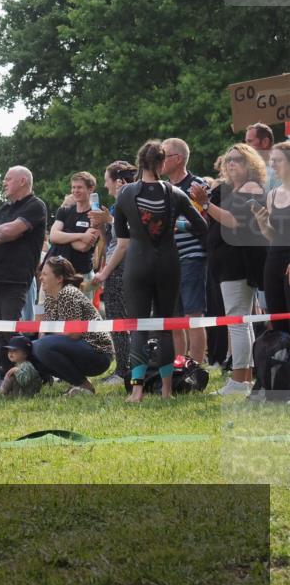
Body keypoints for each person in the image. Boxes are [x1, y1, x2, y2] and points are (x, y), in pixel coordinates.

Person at [117, 141, 208, 402]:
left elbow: (120, 233)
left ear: (140, 163)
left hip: (137, 263)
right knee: (166, 326)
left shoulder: (125, 194)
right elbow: (201, 226)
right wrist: (173, 226)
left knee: (139, 327)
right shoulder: (175, 193)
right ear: (161, 164)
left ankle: (137, 390)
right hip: (168, 263)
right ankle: (166, 390)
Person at [190, 144, 268, 396]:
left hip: (240, 262)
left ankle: (238, 380)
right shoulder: (226, 188)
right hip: (224, 262)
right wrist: (204, 202)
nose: (232, 163)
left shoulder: (252, 188)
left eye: (239, 160)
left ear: (251, 164)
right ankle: (243, 378)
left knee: (237, 319)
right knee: (240, 320)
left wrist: (206, 204)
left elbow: (234, 221)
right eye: (229, 159)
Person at [0, 166, 49, 375]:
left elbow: (10, 230)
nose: (4, 183)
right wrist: (5, 232)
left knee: (11, 330)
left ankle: (29, 374)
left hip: (17, 278)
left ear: (22, 181)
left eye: (8, 178)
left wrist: (5, 231)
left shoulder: (36, 206)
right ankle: (6, 375)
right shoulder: (4, 208)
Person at [32, 257, 114, 395]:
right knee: (33, 348)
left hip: (99, 352)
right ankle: (79, 384)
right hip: (81, 348)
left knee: (41, 346)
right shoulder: (50, 296)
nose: (40, 277)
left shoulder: (68, 293)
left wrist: (48, 334)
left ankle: (83, 385)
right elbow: (42, 327)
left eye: (45, 274)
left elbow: (74, 334)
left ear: (59, 278)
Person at [161, 138, 210, 365]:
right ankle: (180, 365)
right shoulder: (161, 188)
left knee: (193, 315)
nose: (159, 160)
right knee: (174, 318)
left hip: (192, 257)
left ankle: (196, 368)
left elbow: (203, 222)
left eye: (164, 155)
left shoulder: (196, 185)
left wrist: (173, 224)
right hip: (169, 261)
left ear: (178, 159)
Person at [90, 161, 138, 387]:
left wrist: (109, 220)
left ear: (119, 180)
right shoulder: (115, 205)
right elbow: (111, 240)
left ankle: (124, 369)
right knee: (116, 318)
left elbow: (128, 237)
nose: (105, 185)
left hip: (124, 267)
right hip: (113, 265)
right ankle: (123, 366)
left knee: (121, 319)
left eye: (107, 179)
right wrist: (101, 225)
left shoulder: (131, 200)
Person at [253, 142, 290, 333]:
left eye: (278, 160)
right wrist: (262, 223)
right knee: (278, 321)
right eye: (271, 160)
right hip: (274, 261)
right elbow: (272, 235)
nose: (272, 165)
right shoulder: (272, 195)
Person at [47, 172, 100, 296]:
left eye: (79, 187)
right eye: (73, 187)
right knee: (55, 314)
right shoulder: (64, 211)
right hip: (59, 275)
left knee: (81, 315)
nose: (75, 191)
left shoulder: (96, 213)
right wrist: (81, 236)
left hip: (82, 275)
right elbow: (53, 237)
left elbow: (84, 247)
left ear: (90, 189)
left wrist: (64, 235)